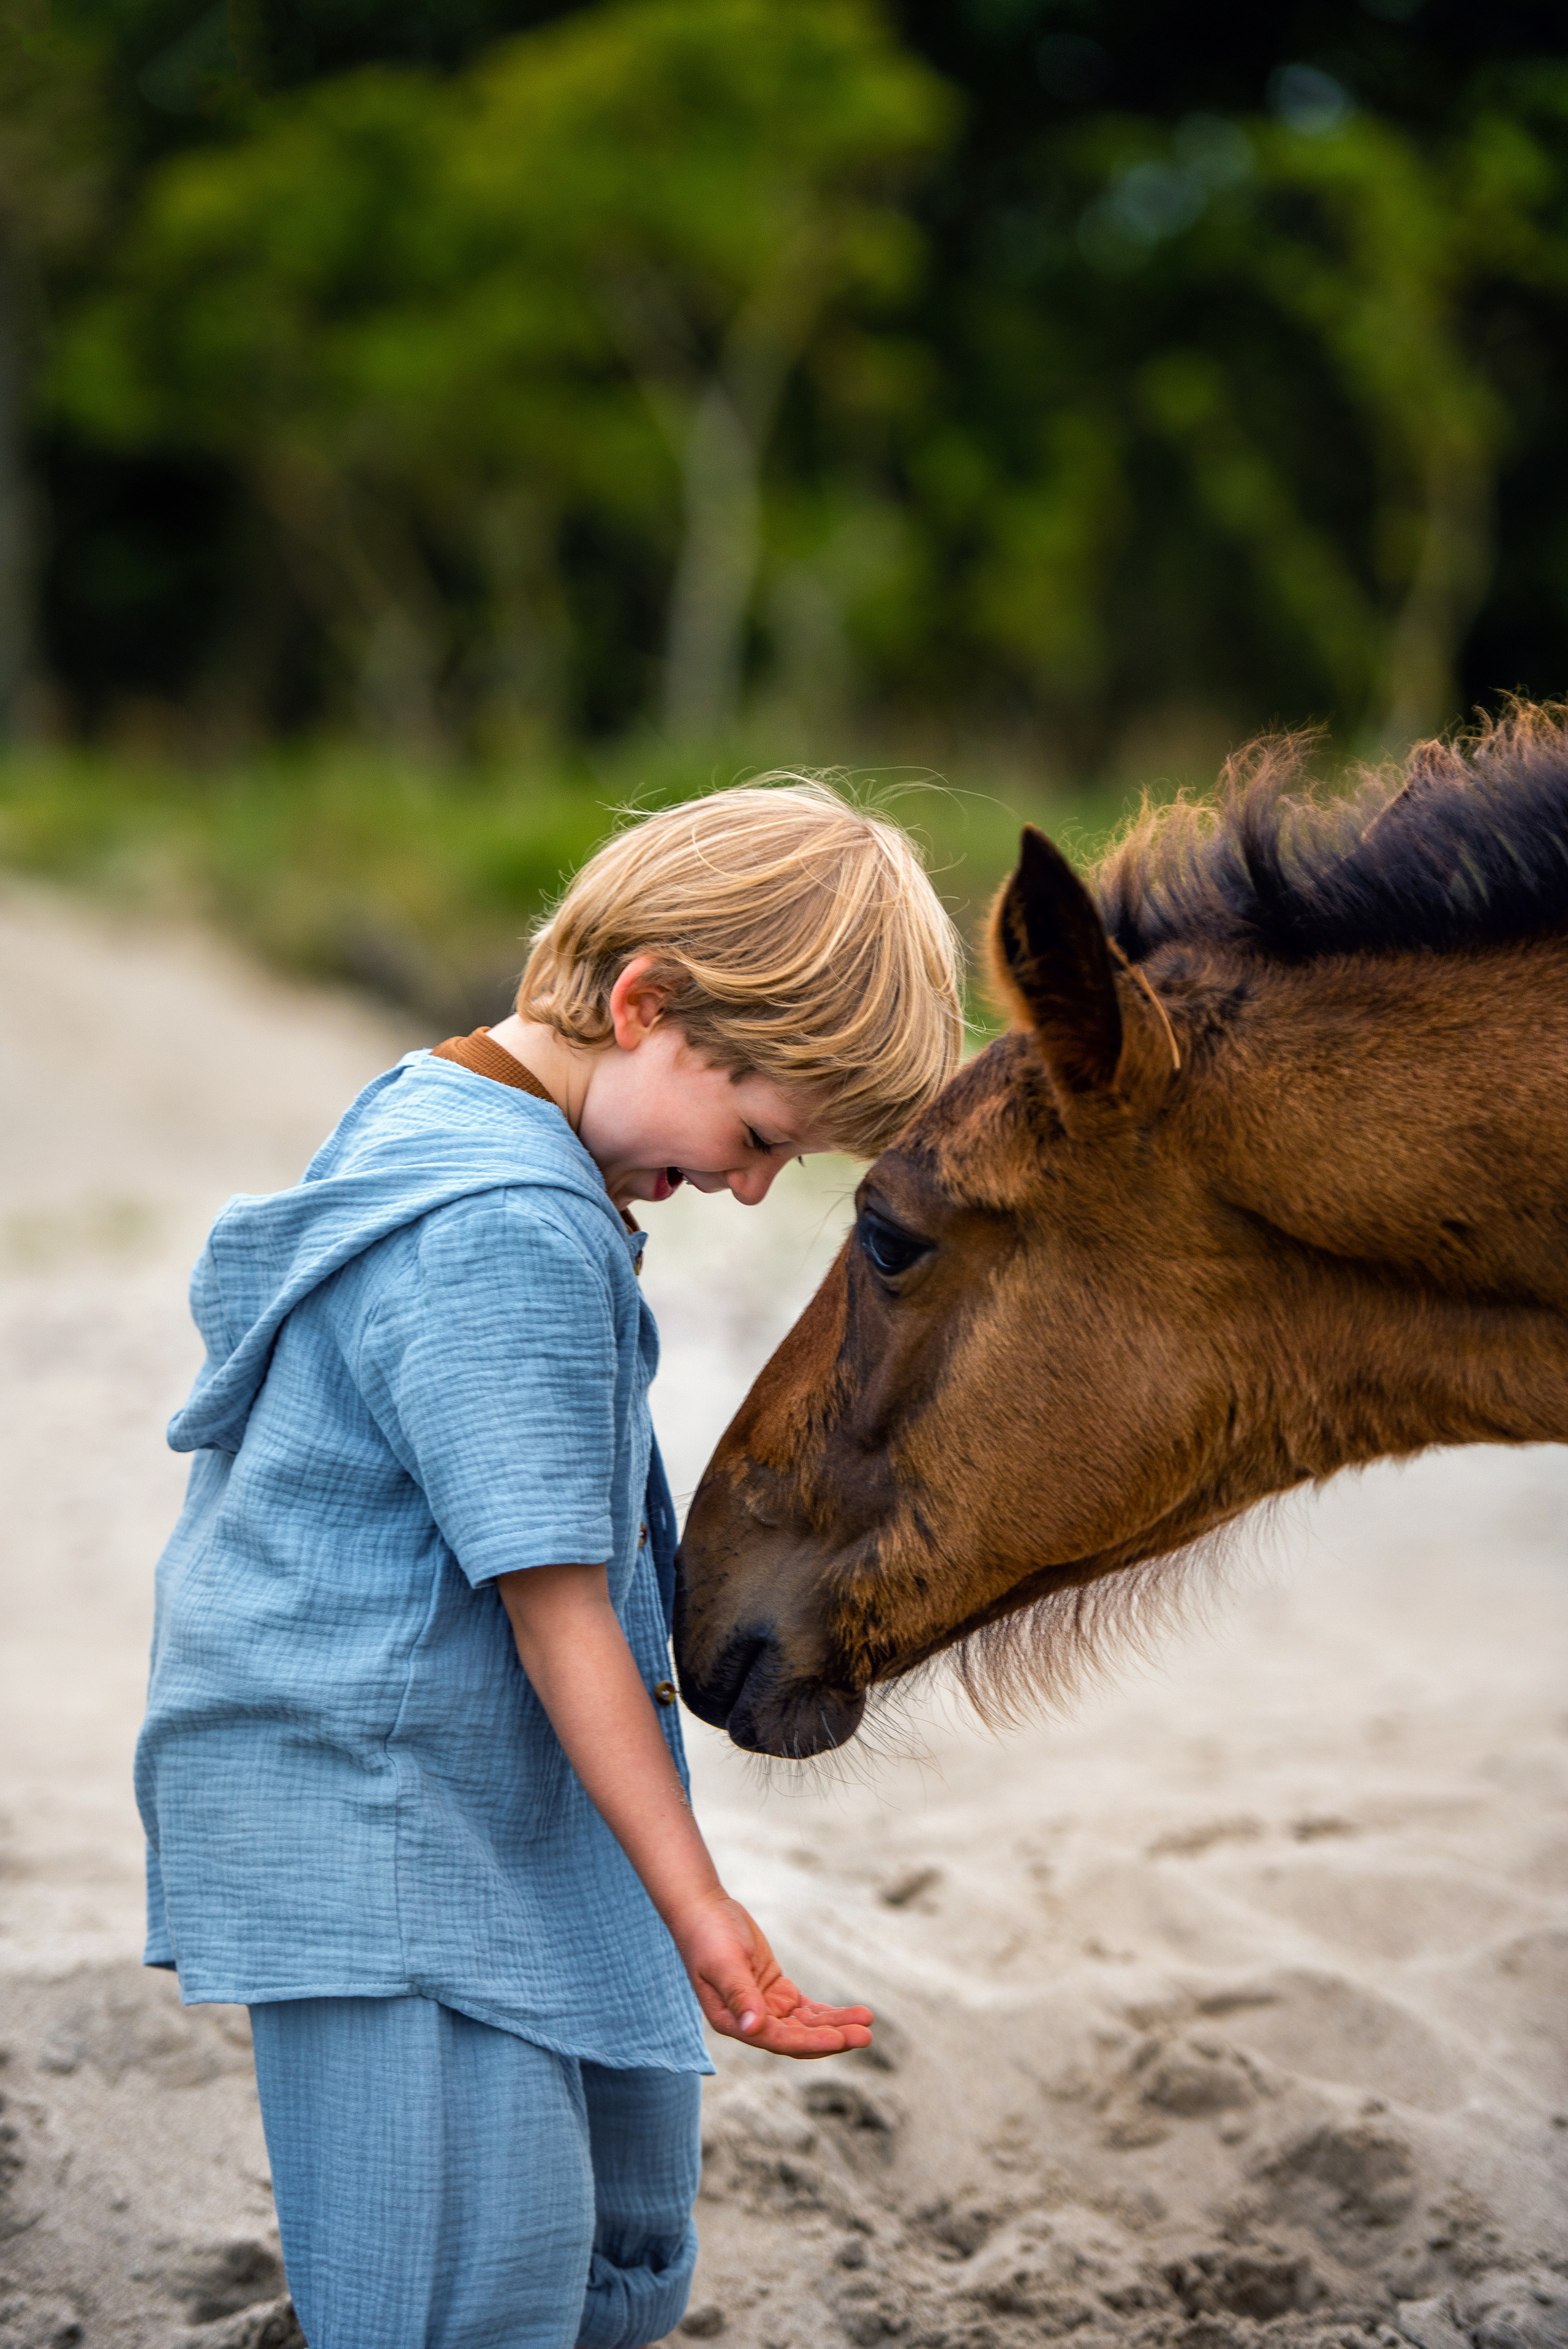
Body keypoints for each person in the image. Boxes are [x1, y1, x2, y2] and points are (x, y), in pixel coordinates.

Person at [134, 779, 965, 2349]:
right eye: (759, 1135)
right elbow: (560, 1610)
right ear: (645, 1003)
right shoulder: (503, 1226)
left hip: (482, 1791)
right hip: (378, 1812)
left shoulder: (451, 1110)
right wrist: (701, 1905)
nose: (745, 1187)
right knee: (462, 2280)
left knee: (618, 2239)